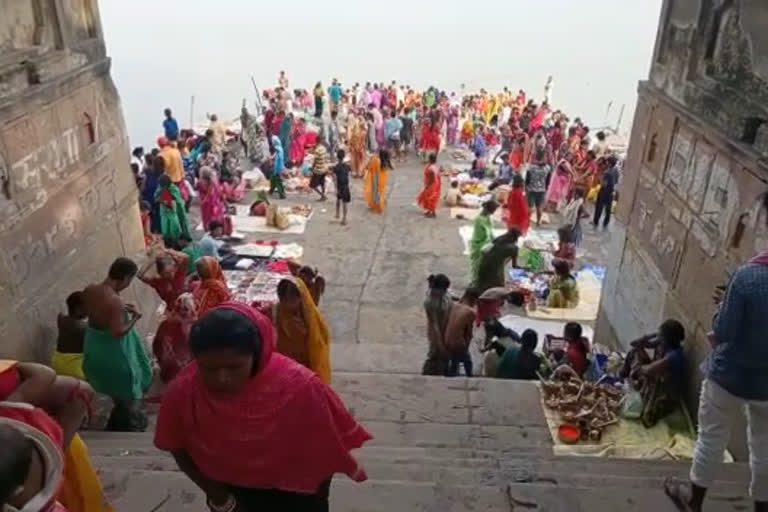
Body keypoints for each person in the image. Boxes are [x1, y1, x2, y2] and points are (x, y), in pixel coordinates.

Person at [153, 303, 371, 511]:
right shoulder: (184, 391)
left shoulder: (300, 387)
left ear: (257, 355)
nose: (222, 378)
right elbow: (177, 446)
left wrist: (317, 497)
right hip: (232, 495)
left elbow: (325, 446)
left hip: (298, 495)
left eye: (234, 367)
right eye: (209, 368)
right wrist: (220, 499)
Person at [664, 194, 768, 512]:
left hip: (728, 376)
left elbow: (724, 332)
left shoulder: (748, 277)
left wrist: (724, 306)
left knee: (710, 439)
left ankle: (694, 502)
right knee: (764, 447)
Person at [82, 258, 151, 431]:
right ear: (126, 278)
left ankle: (117, 420)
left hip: (93, 346)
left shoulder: (90, 289)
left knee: (110, 389)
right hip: (113, 353)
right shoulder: (115, 301)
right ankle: (124, 424)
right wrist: (135, 318)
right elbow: (117, 332)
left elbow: (93, 312)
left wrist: (118, 311)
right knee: (125, 394)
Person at [622, 319, 686, 428]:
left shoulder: (674, 356)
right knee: (634, 351)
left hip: (664, 390)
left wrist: (638, 367)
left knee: (648, 418)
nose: (659, 338)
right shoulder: (662, 343)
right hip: (654, 378)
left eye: (661, 335)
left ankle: (641, 389)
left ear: (668, 339)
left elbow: (648, 370)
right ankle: (622, 378)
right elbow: (635, 343)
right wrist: (651, 335)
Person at [269, 278, 332, 384]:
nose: (288, 304)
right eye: (285, 300)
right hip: (285, 371)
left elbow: (322, 339)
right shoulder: (274, 314)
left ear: (300, 297)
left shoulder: (310, 316)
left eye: (292, 299)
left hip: (307, 369)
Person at [153, 293, 197, 384]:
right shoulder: (166, 325)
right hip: (172, 372)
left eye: (185, 309)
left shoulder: (195, 327)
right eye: (179, 308)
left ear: (192, 310)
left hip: (179, 374)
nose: (182, 312)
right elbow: (157, 345)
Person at [51, 292, 87, 380]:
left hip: (57, 363)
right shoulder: (83, 328)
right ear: (78, 309)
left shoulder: (61, 319)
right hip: (74, 369)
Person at [422, 274, 453, 376]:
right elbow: (435, 326)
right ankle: (429, 373)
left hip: (446, 328)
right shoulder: (430, 303)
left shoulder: (443, 295)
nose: (444, 292)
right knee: (435, 354)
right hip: (437, 333)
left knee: (445, 355)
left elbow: (449, 296)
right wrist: (440, 345)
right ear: (436, 289)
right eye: (443, 290)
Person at [475, 228, 520, 292]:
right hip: (494, 269)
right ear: (517, 238)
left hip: (484, 263)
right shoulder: (514, 248)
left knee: (483, 285)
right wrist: (525, 269)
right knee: (498, 287)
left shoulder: (499, 239)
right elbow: (514, 266)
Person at [469, 200, 499, 284]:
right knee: (476, 266)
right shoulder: (479, 219)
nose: (493, 213)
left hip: (485, 243)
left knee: (484, 265)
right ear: (487, 209)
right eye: (492, 210)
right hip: (479, 244)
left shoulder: (488, 217)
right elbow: (487, 232)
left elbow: (491, 232)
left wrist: (496, 241)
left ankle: (480, 281)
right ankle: (473, 283)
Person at [155, 175, 190, 243]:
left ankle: (180, 238)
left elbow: (178, 199)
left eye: (164, 185)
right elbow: (156, 197)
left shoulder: (174, 188)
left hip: (175, 209)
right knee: (165, 225)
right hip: (164, 209)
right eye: (161, 185)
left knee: (176, 224)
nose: (162, 186)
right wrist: (163, 200)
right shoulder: (160, 188)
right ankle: (168, 239)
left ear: (168, 183)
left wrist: (170, 199)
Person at [197, 167, 227, 233]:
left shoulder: (200, 183)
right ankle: (219, 231)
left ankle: (209, 233)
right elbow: (220, 193)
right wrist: (225, 204)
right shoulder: (215, 181)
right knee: (217, 219)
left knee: (207, 221)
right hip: (216, 204)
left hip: (206, 205)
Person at [593, 155, 619, 229]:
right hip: (611, 192)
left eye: (607, 162)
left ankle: (596, 222)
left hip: (604, 191)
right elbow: (616, 181)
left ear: (609, 163)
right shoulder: (616, 171)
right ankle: (605, 224)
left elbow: (604, 184)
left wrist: (600, 178)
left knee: (599, 207)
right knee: (608, 209)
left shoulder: (607, 172)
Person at [525, 151, 550, 226]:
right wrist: (545, 187)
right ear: (543, 157)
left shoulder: (531, 167)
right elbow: (548, 180)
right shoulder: (547, 168)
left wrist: (526, 187)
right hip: (542, 189)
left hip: (531, 189)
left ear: (536, 157)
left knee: (530, 206)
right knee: (539, 207)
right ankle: (538, 221)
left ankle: (527, 221)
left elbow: (527, 179)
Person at [364, 149, 391, 214]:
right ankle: (381, 203)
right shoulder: (386, 162)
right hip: (383, 179)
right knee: (382, 191)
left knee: (376, 191)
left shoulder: (376, 160)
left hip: (376, 177)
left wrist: (371, 159)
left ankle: (378, 206)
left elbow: (368, 167)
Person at [417, 153, 441, 218]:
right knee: (432, 198)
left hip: (432, 184)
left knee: (430, 197)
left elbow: (433, 177)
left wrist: (428, 185)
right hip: (436, 184)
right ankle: (431, 211)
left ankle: (431, 212)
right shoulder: (435, 166)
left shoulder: (431, 167)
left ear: (429, 159)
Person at [333, 149, 351, 225]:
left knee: (338, 199)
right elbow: (349, 175)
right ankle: (344, 218)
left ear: (337, 157)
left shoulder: (336, 167)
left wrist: (335, 188)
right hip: (345, 185)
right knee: (345, 203)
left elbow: (334, 178)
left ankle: (337, 214)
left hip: (339, 186)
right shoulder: (347, 166)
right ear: (344, 157)